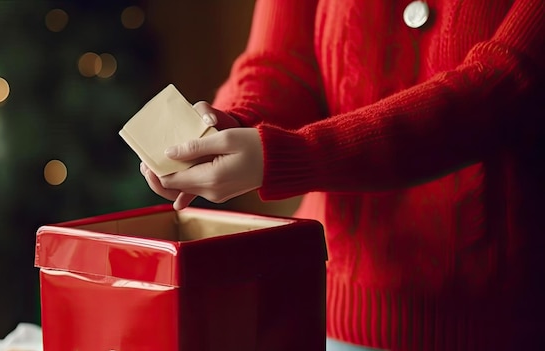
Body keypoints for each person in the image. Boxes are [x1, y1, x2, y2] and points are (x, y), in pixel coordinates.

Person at [139, 0, 545, 350]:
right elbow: (279, 65)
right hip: (331, 313)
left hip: (503, 321)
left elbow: (504, 84)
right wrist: (234, 122)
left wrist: (294, 155)